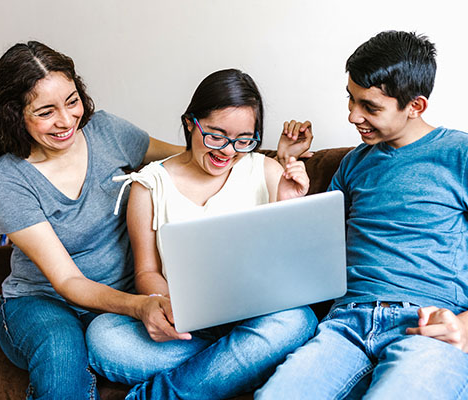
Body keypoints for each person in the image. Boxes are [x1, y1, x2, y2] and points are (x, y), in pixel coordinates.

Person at [0, 42, 310, 400]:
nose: (67, 120)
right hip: (48, 302)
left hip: (121, 308)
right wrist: (142, 305)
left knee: (295, 321)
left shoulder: (106, 132)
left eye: (72, 101)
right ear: (15, 115)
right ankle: (242, 357)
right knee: (65, 353)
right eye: (45, 112)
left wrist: (273, 160)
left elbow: (187, 157)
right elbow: (69, 281)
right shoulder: (9, 179)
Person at [255, 31, 468, 400]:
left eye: (370, 107)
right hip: (344, 327)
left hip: (427, 327)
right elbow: (303, 264)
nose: (352, 116)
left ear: (416, 106)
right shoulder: (354, 164)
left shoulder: (464, 153)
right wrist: (287, 185)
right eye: (350, 99)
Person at [86, 68, 318, 400]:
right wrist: (170, 306)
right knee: (103, 338)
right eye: (216, 135)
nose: (227, 150)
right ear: (190, 123)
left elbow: (295, 273)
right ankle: (239, 365)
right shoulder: (149, 185)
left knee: (297, 321)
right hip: (188, 330)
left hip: (254, 319)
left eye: (243, 139)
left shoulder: (267, 171)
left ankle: (164, 393)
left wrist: (288, 202)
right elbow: (146, 272)